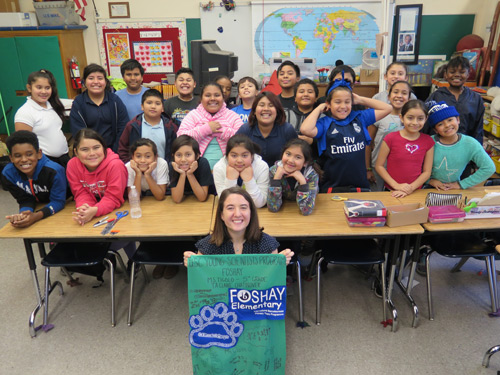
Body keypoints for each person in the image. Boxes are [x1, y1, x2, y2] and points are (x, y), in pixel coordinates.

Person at [301, 78, 392, 192]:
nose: (343, 106)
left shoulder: (360, 117)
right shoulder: (324, 123)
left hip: (360, 185)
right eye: (338, 102)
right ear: (329, 103)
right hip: (332, 186)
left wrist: (360, 100)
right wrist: (319, 108)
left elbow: (388, 108)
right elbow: (305, 129)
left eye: (347, 102)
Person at [67, 128, 136, 264]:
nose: (92, 153)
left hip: (120, 205)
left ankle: (133, 261)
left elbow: (114, 198)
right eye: (85, 149)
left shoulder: (115, 165)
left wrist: (95, 210)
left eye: (96, 147)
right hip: (96, 208)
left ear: (104, 148)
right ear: (76, 152)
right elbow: (80, 192)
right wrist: (84, 208)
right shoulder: (72, 165)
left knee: (119, 239)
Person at [183, 187, 294, 266]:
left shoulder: (267, 244)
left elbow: (271, 282)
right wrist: (193, 265)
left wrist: (279, 265)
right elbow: (203, 284)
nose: (237, 214)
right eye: (230, 208)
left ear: (251, 212)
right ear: (221, 214)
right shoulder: (207, 246)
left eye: (243, 207)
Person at [2, 130, 66, 228]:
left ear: (39, 153)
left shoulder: (54, 171)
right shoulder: (8, 174)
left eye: (29, 154)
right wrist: (24, 215)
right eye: (17, 156)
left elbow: (58, 201)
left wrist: (36, 216)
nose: (24, 159)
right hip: (41, 206)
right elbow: (24, 199)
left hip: (64, 206)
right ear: (11, 158)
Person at [426, 101, 495, 190]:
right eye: (440, 124)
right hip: (426, 188)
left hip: (452, 190)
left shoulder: (470, 143)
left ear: (458, 120)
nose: (447, 125)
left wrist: (462, 184)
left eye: (450, 120)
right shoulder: (428, 142)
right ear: (435, 130)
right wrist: (430, 181)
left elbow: (489, 168)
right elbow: (414, 166)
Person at [375, 100, 434, 198]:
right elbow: (379, 166)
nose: (415, 122)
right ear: (401, 118)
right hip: (391, 191)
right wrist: (396, 186)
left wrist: (410, 188)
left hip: (415, 192)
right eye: (410, 118)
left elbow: (427, 172)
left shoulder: (428, 141)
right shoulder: (390, 138)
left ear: (426, 119)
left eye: (420, 118)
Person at [177, 82, 243, 169]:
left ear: (223, 98)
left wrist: (219, 131)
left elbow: (243, 139)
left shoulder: (232, 116)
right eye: (208, 95)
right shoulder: (193, 115)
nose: (212, 98)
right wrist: (205, 129)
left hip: (229, 169)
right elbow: (181, 137)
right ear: (201, 98)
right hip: (197, 170)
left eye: (217, 95)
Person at [14, 69, 70, 168]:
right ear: (29, 88)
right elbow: (23, 144)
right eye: (39, 87)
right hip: (45, 162)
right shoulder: (24, 112)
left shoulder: (51, 105)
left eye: (47, 88)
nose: (43, 92)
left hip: (64, 158)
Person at [425, 56, 484, 145]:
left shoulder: (476, 99)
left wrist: (477, 152)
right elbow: (425, 124)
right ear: (446, 74)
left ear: (468, 74)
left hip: (466, 148)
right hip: (439, 146)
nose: (456, 75)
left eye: (462, 72)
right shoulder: (436, 96)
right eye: (452, 72)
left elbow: (478, 130)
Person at [70, 63, 128, 153]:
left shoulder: (115, 100)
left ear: (105, 81)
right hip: (89, 151)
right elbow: (78, 132)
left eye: (100, 78)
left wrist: (114, 152)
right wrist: (93, 151)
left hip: (113, 150)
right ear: (84, 81)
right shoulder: (79, 103)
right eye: (91, 78)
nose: (96, 82)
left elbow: (123, 127)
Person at [368, 81, 412, 191]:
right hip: (377, 167)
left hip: (400, 168)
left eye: (404, 93)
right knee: (376, 197)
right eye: (396, 92)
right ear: (388, 96)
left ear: (409, 98)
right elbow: (367, 143)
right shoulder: (378, 115)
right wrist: (367, 168)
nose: (399, 96)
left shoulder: (412, 119)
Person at [236, 92, 297, 166]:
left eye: (271, 105)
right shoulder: (245, 130)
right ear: (254, 111)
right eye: (262, 105)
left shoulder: (287, 130)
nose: (266, 109)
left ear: (277, 111)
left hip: (281, 174)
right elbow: (234, 154)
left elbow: (296, 157)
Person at [118, 89, 177, 163]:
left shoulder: (170, 127)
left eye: (157, 103)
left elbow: (176, 150)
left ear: (162, 108)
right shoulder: (132, 126)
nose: (153, 106)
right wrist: (131, 167)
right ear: (142, 106)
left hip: (163, 171)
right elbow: (123, 149)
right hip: (138, 171)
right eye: (149, 103)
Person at [213, 134, 269, 208]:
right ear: (227, 156)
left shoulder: (262, 166)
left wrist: (249, 180)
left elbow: (259, 204)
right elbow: (224, 203)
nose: (239, 160)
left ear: (252, 156)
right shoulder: (219, 168)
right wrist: (230, 180)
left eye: (244, 155)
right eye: (234, 156)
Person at [268, 138, 319, 215]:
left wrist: (302, 182)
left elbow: (306, 211)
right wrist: (276, 179)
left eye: (298, 157)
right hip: (284, 214)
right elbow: (273, 207)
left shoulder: (311, 175)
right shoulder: (274, 171)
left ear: (305, 162)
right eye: (288, 154)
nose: (291, 160)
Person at [169, 135, 214, 203]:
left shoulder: (202, 163)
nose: (183, 159)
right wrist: (182, 175)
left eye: (188, 155)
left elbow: (202, 198)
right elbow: (177, 199)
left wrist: (190, 174)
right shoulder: (173, 166)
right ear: (173, 156)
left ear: (197, 156)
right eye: (178, 155)